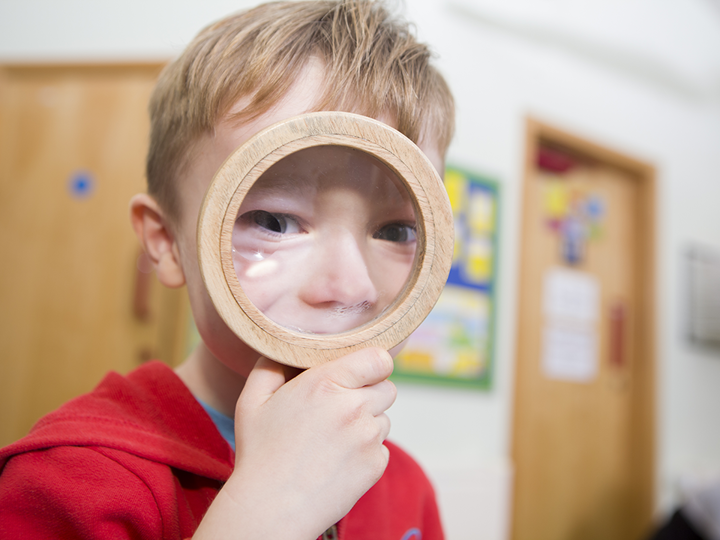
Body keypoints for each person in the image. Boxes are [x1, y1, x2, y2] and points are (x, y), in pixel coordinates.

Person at [0, 1, 455, 538]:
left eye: (396, 231)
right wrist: (261, 515)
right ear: (166, 240)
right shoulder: (70, 486)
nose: (349, 288)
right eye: (273, 221)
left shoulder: (405, 487)